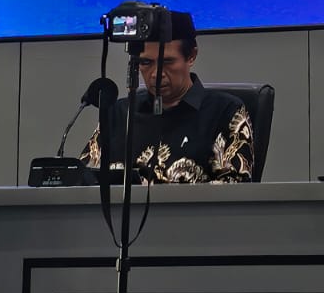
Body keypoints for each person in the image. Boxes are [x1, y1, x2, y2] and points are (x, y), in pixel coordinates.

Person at [81, 12, 253, 182]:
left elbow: (235, 186)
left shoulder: (225, 112)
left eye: (167, 62)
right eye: (146, 63)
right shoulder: (120, 113)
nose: (156, 73)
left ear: (191, 56)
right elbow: (83, 180)